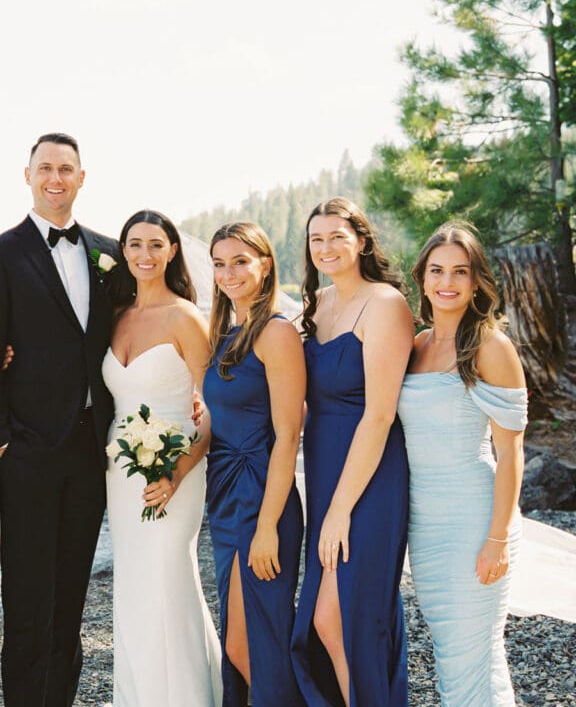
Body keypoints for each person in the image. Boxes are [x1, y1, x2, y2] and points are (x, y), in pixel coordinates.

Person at [0, 132, 118, 706]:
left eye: (67, 168)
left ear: (82, 177)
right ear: (27, 176)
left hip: (91, 449)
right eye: (45, 168)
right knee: (28, 599)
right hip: (27, 452)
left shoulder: (109, 251)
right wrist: (2, 442)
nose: (56, 178)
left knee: (71, 596)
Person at [289, 197, 413, 706]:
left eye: (337, 236)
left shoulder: (385, 304)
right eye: (316, 239)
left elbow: (380, 414)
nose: (326, 248)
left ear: (362, 240)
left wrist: (340, 510)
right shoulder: (316, 305)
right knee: (333, 618)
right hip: (322, 471)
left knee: (340, 616)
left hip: (371, 474)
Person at [397, 222, 526, 706]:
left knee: (477, 652)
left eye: (459, 271)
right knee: (451, 653)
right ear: (422, 278)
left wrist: (497, 539)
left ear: (476, 282)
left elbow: (512, 451)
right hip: (424, 522)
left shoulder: (490, 346)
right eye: (436, 270)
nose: (446, 282)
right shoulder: (415, 345)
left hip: (476, 518)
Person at [101, 209, 222, 706]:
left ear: (173, 250)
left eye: (155, 244)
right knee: (133, 578)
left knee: (169, 572)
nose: (144, 254)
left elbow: (215, 406)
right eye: (134, 244)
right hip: (121, 469)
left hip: (178, 465)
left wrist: (177, 470)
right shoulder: (116, 316)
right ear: (123, 251)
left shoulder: (185, 316)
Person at [203, 222, 305, 707]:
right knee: (241, 642)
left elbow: (288, 436)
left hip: (263, 496)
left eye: (241, 261)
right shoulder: (226, 333)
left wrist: (268, 527)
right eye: (219, 263)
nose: (229, 273)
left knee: (255, 643)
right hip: (225, 498)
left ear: (266, 264)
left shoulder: (277, 332)